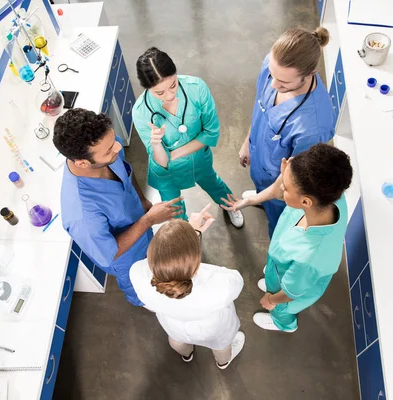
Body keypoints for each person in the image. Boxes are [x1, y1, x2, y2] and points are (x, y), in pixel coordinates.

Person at [54, 109, 182, 307]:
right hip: (125, 257)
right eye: (109, 150)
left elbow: (126, 172)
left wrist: (143, 202)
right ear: (82, 162)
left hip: (142, 229)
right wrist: (148, 220)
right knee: (141, 288)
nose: (117, 147)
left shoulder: (108, 147)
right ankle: (146, 303)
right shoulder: (82, 215)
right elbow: (110, 253)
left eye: (113, 141)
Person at [222, 144, 353, 332]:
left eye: (286, 187)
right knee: (275, 280)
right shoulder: (330, 195)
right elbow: (281, 189)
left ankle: (283, 324)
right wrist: (253, 200)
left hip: (291, 287)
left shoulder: (308, 258)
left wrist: (271, 300)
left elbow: (291, 293)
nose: (280, 187)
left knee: (282, 308)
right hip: (284, 269)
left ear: (305, 201)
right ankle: (272, 282)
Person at [132, 47, 244, 228]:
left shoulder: (196, 88)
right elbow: (160, 160)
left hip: (198, 158)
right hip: (166, 172)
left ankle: (231, 206)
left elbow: (211, 132)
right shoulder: (141, 112)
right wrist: (156, 144)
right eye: (159, 93)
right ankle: (185, 232)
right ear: (147, 89)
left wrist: (174, 155)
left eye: (173, 85)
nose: (169, 95)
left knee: (213, 183)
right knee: (174, 210)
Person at [239, 27, 335, 238]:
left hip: (281, 186)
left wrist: (259, 198)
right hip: (259, 162)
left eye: (283, 82)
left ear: (310, 74)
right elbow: (260, 107)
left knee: (278, 222)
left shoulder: (312, 126)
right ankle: (262, 197)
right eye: (272, 75)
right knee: (262, 193)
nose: (273, 84)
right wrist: (248, 142)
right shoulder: (274, 66)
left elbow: (295, 176)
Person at [130, 205, 245, 369]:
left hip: (173, 325)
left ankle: (187, 355)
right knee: (221, 346)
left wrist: (189, 235)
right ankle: (223, 362)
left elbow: (159, 263)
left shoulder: (137, 274)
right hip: (213, 328)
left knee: (177, 341)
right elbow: (237, 280)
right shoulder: (218, 284)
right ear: (196, 263)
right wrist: (192, 233)